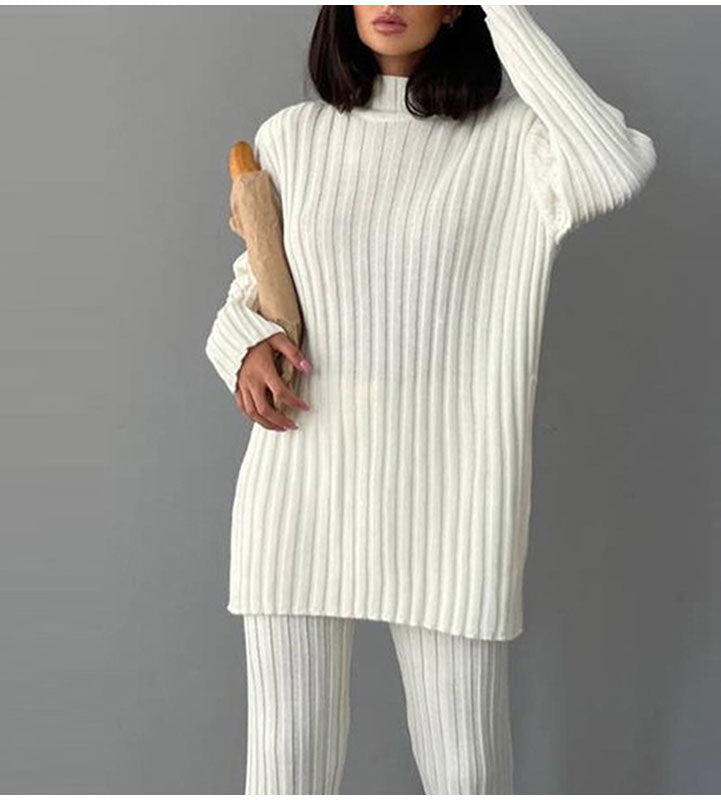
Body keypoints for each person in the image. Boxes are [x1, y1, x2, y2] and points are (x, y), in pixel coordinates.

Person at [205, 4, 656, 794]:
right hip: (299, 483)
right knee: (285, 771)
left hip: (450, 500)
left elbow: (615, 165)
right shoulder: (291, 137)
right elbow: (255, 290)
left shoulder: (516, 143)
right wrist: (241, 345)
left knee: (466, 773)